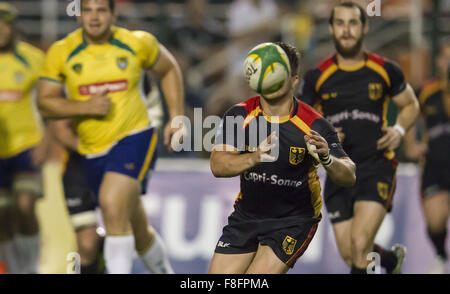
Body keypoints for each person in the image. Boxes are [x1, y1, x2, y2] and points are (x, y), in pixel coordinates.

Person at [37, 0, 184, 274]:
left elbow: (168, 68)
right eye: (88, 10)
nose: (94, 17)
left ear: (114, 14)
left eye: (101, 10)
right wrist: (84, 107)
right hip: (92, 150)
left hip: (135, 135)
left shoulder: (137, 43)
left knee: (111, 202)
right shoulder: (61, 52)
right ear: (79, 15)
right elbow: (45, 103)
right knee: (137, 228)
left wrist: (176, 116)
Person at [208, 42, 356, 274]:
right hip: (247, 215)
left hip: (293, 221)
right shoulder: (240, 115)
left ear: (294, 80)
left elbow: (349, 174)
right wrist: (253, 157)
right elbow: (218, 164)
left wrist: (327, 159)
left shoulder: (314, 125)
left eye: (277, 70)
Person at [300, 2, 420, 274]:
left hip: (376, 166)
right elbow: (301, 119)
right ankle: (390, 261)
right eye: (340, 23)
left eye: (353, 23)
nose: (346, 30)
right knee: (350, 253)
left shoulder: (385, 69)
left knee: (359, 243)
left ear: (365, 27)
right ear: (331, 28)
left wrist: (399, 130)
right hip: (338, 171)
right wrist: (323, 131)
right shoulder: (317, 76)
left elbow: (411, 104)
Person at [0, 2, 48, 274]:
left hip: (26, 145)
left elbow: (51, 101)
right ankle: (16, 270)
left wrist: (48, 142)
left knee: (25, 206)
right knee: (2, 216)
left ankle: (31, 268)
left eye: (4, 24)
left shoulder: (32, 59)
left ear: (12, 26)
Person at [404, 42, 450, 274]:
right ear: (440, 61)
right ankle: (441, 255)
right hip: (435, 166)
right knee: (435, 221)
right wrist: (411, 144)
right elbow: (408, 112)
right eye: (446, 57)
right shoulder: (427, 91)